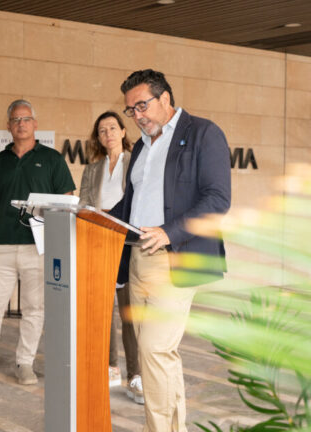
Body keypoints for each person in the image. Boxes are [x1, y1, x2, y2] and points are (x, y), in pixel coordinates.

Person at [110, 69, 231, 431]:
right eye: (131, 110)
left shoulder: (203, 133)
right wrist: (91, 218)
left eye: (142, 105)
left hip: (175, 257)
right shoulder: (142, 149)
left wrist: (168, 232)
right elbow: (130, 206)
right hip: (138, 260)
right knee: (161, 358)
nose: (137, 116)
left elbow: (218, 198)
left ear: (165, 99)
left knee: (155, 352)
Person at [0, 99, 75, 385]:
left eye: (26, 119)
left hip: (39, 247)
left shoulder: (52, 159)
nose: (21, 124)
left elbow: (68, 199)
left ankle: (25, 363)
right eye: (15, 120)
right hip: (2, 245)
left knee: (35, 307)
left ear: (35, 124)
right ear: (8, 126)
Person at [78, 111, 143, 403]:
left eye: (112, 128)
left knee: (130, 313)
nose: (108, 134)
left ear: (123, 131)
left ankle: (136, 375)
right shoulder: (92, 170)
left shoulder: (136, 162)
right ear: (98, 138)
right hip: (99, 244)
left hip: (128, 245)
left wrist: (109, 216)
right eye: (102, 130)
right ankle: (109, 369)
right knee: (103, 312)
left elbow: (138, 202)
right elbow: (83, 204)